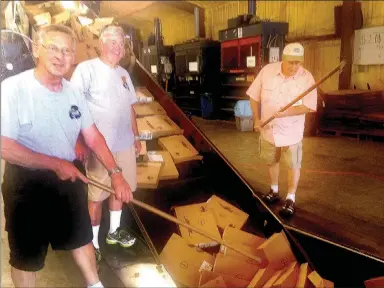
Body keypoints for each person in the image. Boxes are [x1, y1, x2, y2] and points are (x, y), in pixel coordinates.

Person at [1, 24, 133, 288]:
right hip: (26, 183)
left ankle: (94, 285)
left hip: (69, 177)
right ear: (37, 49)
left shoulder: (73, 93)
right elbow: (4, 146)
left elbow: (93, 136)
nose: (61, 56)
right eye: (53, 48)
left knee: (81, 237)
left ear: (74, 57)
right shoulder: (13, 89)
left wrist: (116, 174)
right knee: (27, 256)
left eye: (67, 51)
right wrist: (53, 163)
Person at [70, 24, 141, 264]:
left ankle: (113, 232)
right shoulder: (86, 69)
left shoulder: (123, 74)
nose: (118, 48)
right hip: (99, 147)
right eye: (113, 42)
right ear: (101, 43)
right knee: (97, 196)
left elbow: (130, 106)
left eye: (121, 44)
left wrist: (137, 137)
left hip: (124, 143)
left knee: (120, 189)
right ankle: (94, 243)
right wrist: (79, 140)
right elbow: (74, 108)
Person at [246, 43, 317, 216]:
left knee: (294, 165)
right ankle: (274, 190)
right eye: (290, 62)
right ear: (283, 59)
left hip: (292, 132)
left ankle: (291, 197)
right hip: (269, 129)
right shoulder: (268, 71)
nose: (294, 67)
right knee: (272, 160)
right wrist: (257, 118)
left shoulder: (307, 78)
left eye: (297, 63)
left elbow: (309, 106)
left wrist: (286, 113)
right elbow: (253, 96)